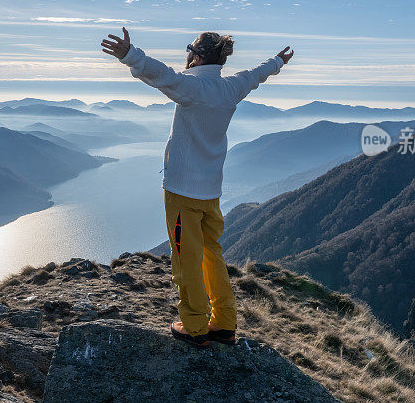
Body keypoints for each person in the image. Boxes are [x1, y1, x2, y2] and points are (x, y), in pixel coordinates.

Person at [101, 28, 294, 348]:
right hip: (212, 191)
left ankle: (194, 325)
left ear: (198, 55)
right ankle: (224, 322)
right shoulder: (230, 87)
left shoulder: (193, 87)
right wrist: (277, 62)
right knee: (211, 254)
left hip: (182, 192)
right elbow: (255, 75)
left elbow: (160, 74)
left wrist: (128, 55)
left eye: (188, 49)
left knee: (185, 260)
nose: (186, 56)